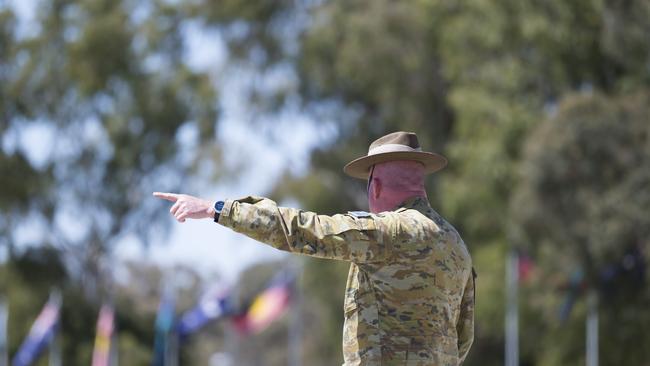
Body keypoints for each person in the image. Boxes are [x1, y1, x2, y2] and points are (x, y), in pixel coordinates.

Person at [154, 131, 475, 365]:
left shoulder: (387, 231)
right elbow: (463, 337)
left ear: (374, 186)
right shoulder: (456, 245)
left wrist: (217, 209)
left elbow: (301, 230)